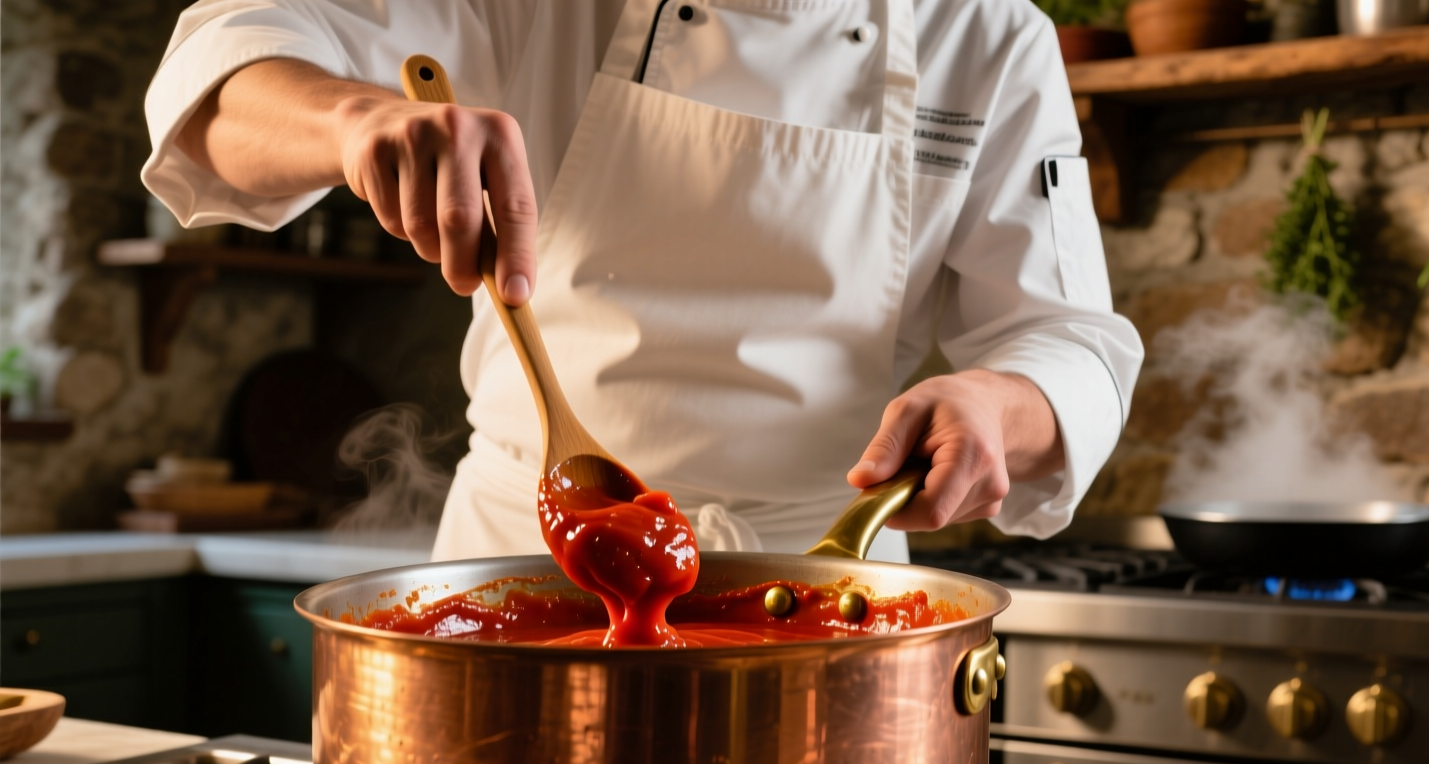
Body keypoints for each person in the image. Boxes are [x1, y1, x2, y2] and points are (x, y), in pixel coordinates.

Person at [144, 0, 1143, 562]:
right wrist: (347, 119)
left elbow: (1067, 340)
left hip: (817, 578)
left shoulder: (984, 33)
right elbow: (226, 64)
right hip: (518, 567)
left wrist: (991, 401)